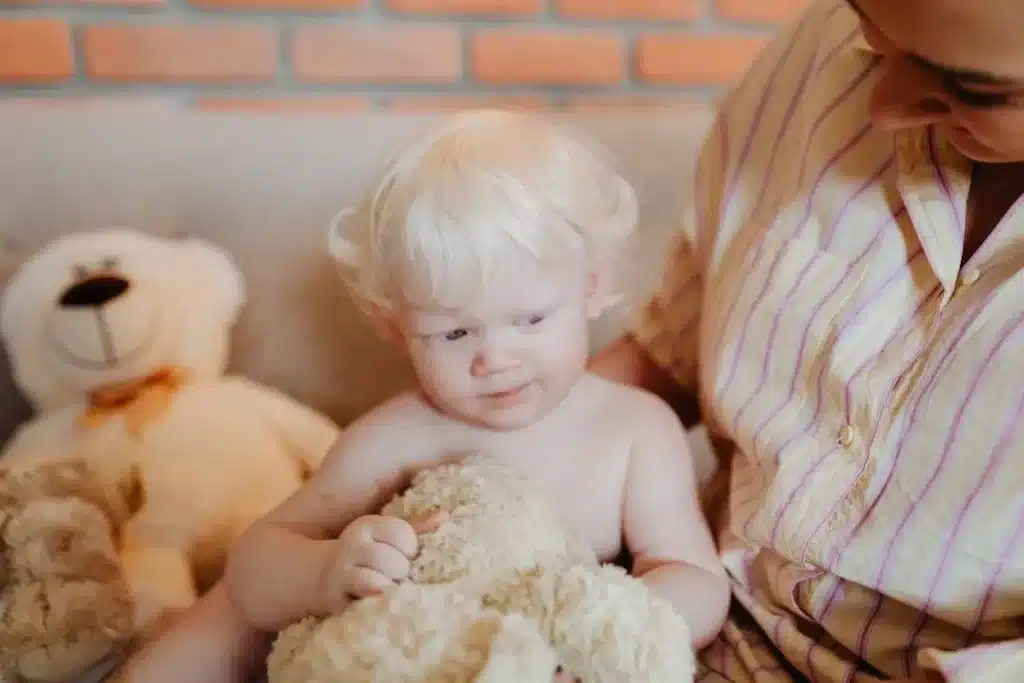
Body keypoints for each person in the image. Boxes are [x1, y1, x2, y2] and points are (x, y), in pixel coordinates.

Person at [109, 108, 730, 683]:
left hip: (544, 660)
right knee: (224, 619)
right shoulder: (395, 438)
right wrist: (325, 573)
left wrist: (599, 625)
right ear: (394, 326)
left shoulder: (634, 430)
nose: (495, 359)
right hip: (407, 654)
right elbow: (253, 568)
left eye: (532, 320)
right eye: (454, 332)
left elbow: (696, 580)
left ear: (594, 288)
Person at [589, 0, 1024, 681]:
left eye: (972, 87)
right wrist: (454, 466)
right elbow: (664, 355)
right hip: (688, 625)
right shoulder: (813, 52)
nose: (881, 107)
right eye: (873, 35)